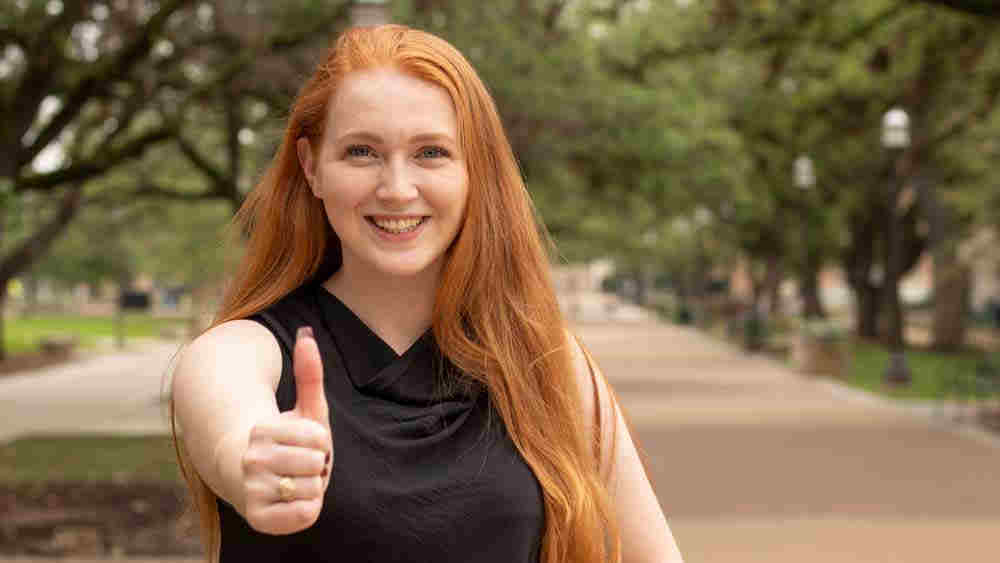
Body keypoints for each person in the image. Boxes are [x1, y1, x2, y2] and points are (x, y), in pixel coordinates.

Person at [170, 24, 684, 563]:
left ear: (474, 172)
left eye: (431, 153)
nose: (396, 188)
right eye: (362, 152)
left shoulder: (547, 361)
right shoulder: (244, 351)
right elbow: (227, 416)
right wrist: (256, 459)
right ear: (311, 167)